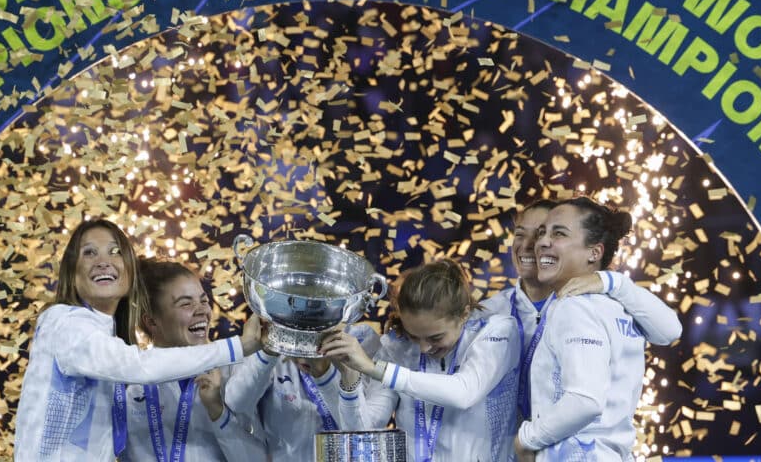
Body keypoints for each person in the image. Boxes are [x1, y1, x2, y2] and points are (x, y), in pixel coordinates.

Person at [14, 219, 262, 462]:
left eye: (115, 252)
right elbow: (139, 365)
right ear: (71, 270)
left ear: (129, 270)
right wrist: (240, 345)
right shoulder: (64, 323)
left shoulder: (108, 344)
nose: (103, 261)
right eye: (89, 253)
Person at [514, 197, 682, 461]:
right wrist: (614, 282)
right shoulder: (619, 305)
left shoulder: (574, 308)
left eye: (558, 233)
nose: (542, 242)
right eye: (543, 232)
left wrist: (526, 439)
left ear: (594, 252)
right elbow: (671, 331)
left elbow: (585, 401)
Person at [320, 260, 521, 462]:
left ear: (464, 314)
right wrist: (350, 378)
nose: (424, 348)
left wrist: (375, 369)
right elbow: (363, 432)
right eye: (414, 336)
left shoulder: (498, 331)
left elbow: (464, 393)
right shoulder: (398, 347)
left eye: (436, 338)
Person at [122, 260, 267, 461]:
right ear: (152, 321)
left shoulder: (233, 373)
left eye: (204, 301)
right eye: (186, 303)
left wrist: (218, 411)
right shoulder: (131, 388)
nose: (202, 311)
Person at [223, 322, 381, 460]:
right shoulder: (267, 346)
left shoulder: (362, 344)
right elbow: (235, 405)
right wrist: (268, 354)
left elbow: (364, 443)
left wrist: (326, 376)